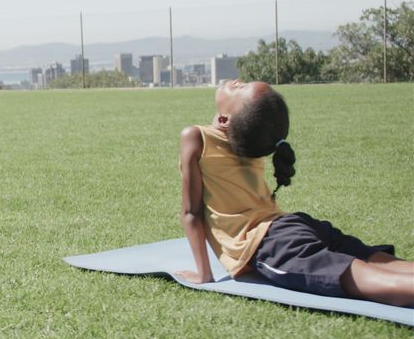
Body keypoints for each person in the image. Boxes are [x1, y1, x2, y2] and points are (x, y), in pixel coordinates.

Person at [176, 79, 413, 306]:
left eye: (242, 87)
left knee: (364, 279)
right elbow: (229, 130)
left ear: (227, 120)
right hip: (294, 225)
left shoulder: (195, 137)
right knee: (378, 262)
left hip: (272, 244)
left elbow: (191, 212)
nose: (237, 81)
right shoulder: (249, 140)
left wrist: (204, 274)